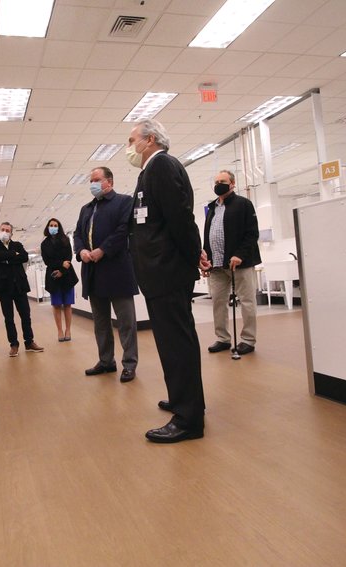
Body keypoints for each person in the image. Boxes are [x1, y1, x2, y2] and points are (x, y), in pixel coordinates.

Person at [127, 118, 206, 443]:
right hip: (160, 273)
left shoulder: (162, 166)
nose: (129, 147)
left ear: (151, 139)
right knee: (171, 342)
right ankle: (182, 398)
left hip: (168, 271)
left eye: (132, 140)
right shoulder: (150, 170)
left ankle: (188, 419)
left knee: (177, 343)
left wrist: (194, 254)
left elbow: (180, 218)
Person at [74, 166, 139, 383]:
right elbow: (77, 234)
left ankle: (129, 364)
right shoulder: (85, 209)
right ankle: (106, 361)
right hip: (93, 272)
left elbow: (123, 231)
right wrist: (81, 250)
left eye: (96, 179)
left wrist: (103, 250)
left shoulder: (124, 202)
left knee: (126, 321)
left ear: (109, 181)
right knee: (101, 322)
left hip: (117, 270)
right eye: (90, 180)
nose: (92, 184)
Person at [201, 170, 262, 355]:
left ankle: (248, 340)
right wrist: (206, 259)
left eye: (223, 181)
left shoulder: (243, 204)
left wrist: (240, 254)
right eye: (217, 181)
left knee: (247, 301)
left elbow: (252, 234)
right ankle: (222, 338)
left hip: (239, 263)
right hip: (217, 266)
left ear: (233, 184)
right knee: (218, 302)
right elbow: (208, 236)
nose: (219, 184)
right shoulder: (212, 208)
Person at [0, 222, 45, 357]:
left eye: (7, 230)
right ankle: (14, 344)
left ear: (11, 233)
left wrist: (6, 258)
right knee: (9, 318)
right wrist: (13, 255)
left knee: (26, 315)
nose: (5, 232)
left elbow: (24, 257)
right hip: (4, 288)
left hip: (19, 286)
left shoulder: (18, 245)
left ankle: (29, 342)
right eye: (3, 230)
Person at [40, 218, 79, 342]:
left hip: (67, 275)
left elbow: (69, 257)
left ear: (59, 227)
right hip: (53, 276)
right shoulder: (44, 244)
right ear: (47, 227)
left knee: (67, 304)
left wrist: (62, 270)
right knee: (56, 305)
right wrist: (60, 264)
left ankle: (68, 329)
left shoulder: (66, 240)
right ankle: (60, 331)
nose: (53, 227)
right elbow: (47, 261)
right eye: (51, 225)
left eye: (55, 225)